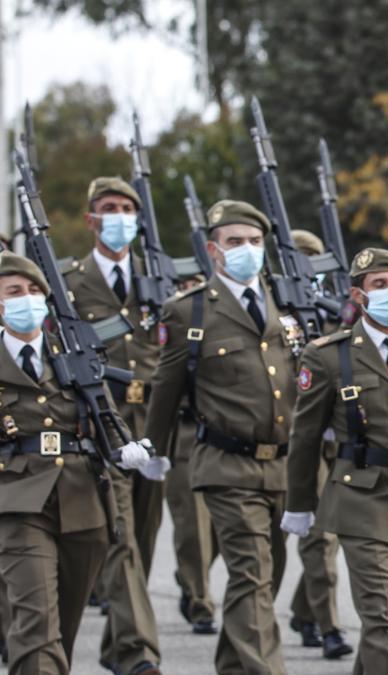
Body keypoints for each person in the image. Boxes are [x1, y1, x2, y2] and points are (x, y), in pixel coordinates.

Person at [145, 199, 298, 675]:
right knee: (252, 574)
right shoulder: (188, 311)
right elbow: (165, 393)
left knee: (263, 580)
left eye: (254, 242)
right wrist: (155, 450)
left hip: (282, 466)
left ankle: (234, 666)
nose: (246, 250)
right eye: (235, 242)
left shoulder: (289, 304)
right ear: (214, 250)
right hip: (224, 464)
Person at [283, 247, 388, 674]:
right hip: (361, 500)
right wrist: (299, 504)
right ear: (358, 295)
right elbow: (305, 438)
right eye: (379, 285)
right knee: (381, 621)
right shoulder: (329, 356)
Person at [0, 251, 162, 674]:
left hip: (83, 501)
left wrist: (123, 448)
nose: (27, 299)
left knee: (60, 629)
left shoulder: (73, 353)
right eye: (14, 291)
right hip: (17, 503)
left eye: (35, 290)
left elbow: (103, 412)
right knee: (36, 625)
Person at [62, 177, 163, 675]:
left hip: (156, 423)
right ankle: (137, 653)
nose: (120, 216)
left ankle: (114, 644)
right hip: (105, 423)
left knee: (142, 540)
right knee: (121, 537)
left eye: (127, 208)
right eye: (109, 208)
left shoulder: (157, 280)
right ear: (91, 219)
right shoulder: (68, 282)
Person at [283, 229, 352, 660]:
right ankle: (328, 626)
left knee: (336, 534)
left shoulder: (335, 310)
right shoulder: (280, 312)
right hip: (305, 434)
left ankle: (303, 609)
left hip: (343, 434)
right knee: (319, 536)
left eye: (315, 260)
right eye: (301, 261)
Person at [161, 274, 218, 635]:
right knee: (193, 526)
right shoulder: (178, 322)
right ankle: (200, 601)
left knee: (225, 529)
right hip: (186, 432)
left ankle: (189, 575)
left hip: (228, 436)